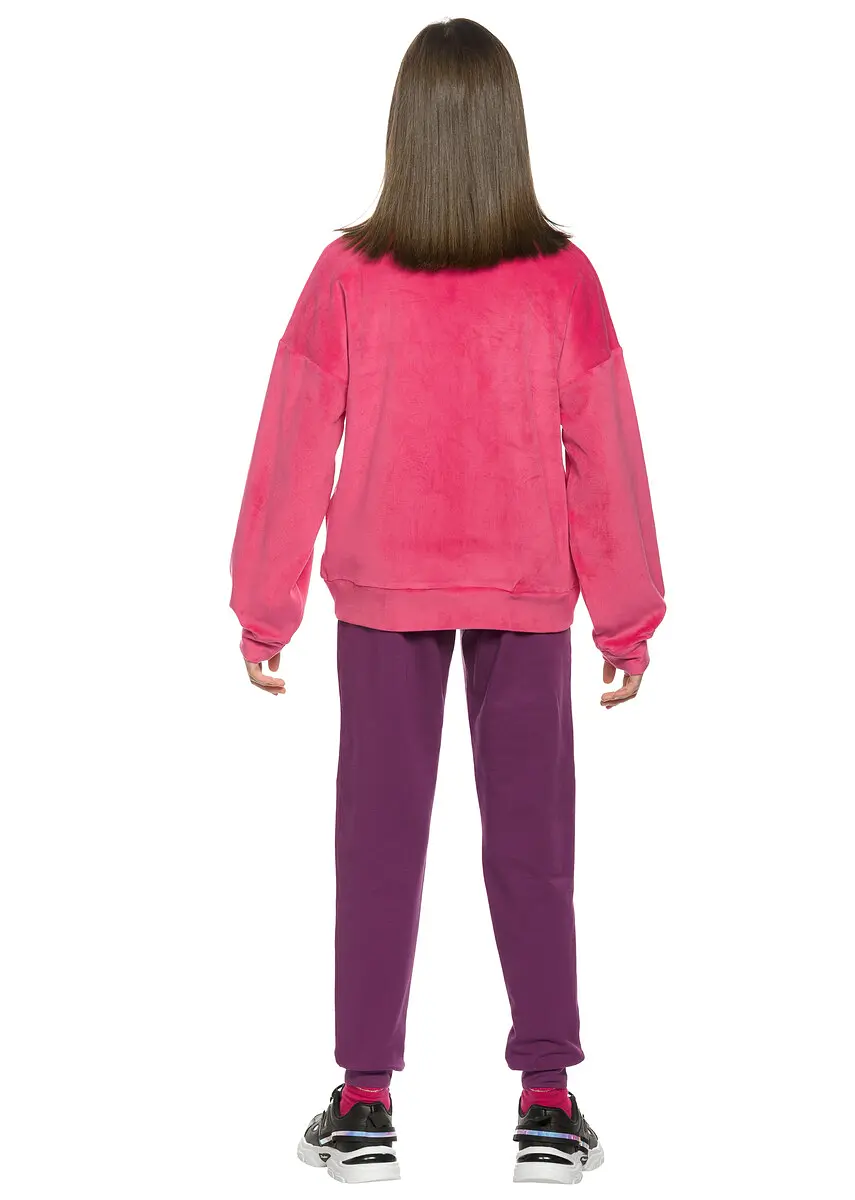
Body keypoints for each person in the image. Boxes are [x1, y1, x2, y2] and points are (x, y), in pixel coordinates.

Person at [229, 16, 665, 1186]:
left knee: (376, 844)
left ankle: (364, 1104)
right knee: (535, 849)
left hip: (387, 588)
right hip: (526, 588)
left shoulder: (349, 275)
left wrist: (264, 605)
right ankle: (547, 1106)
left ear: (406, 131)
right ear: (507, 132)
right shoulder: (562, 278)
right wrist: (627, 615)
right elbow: (607, 453)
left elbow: (293, 438)